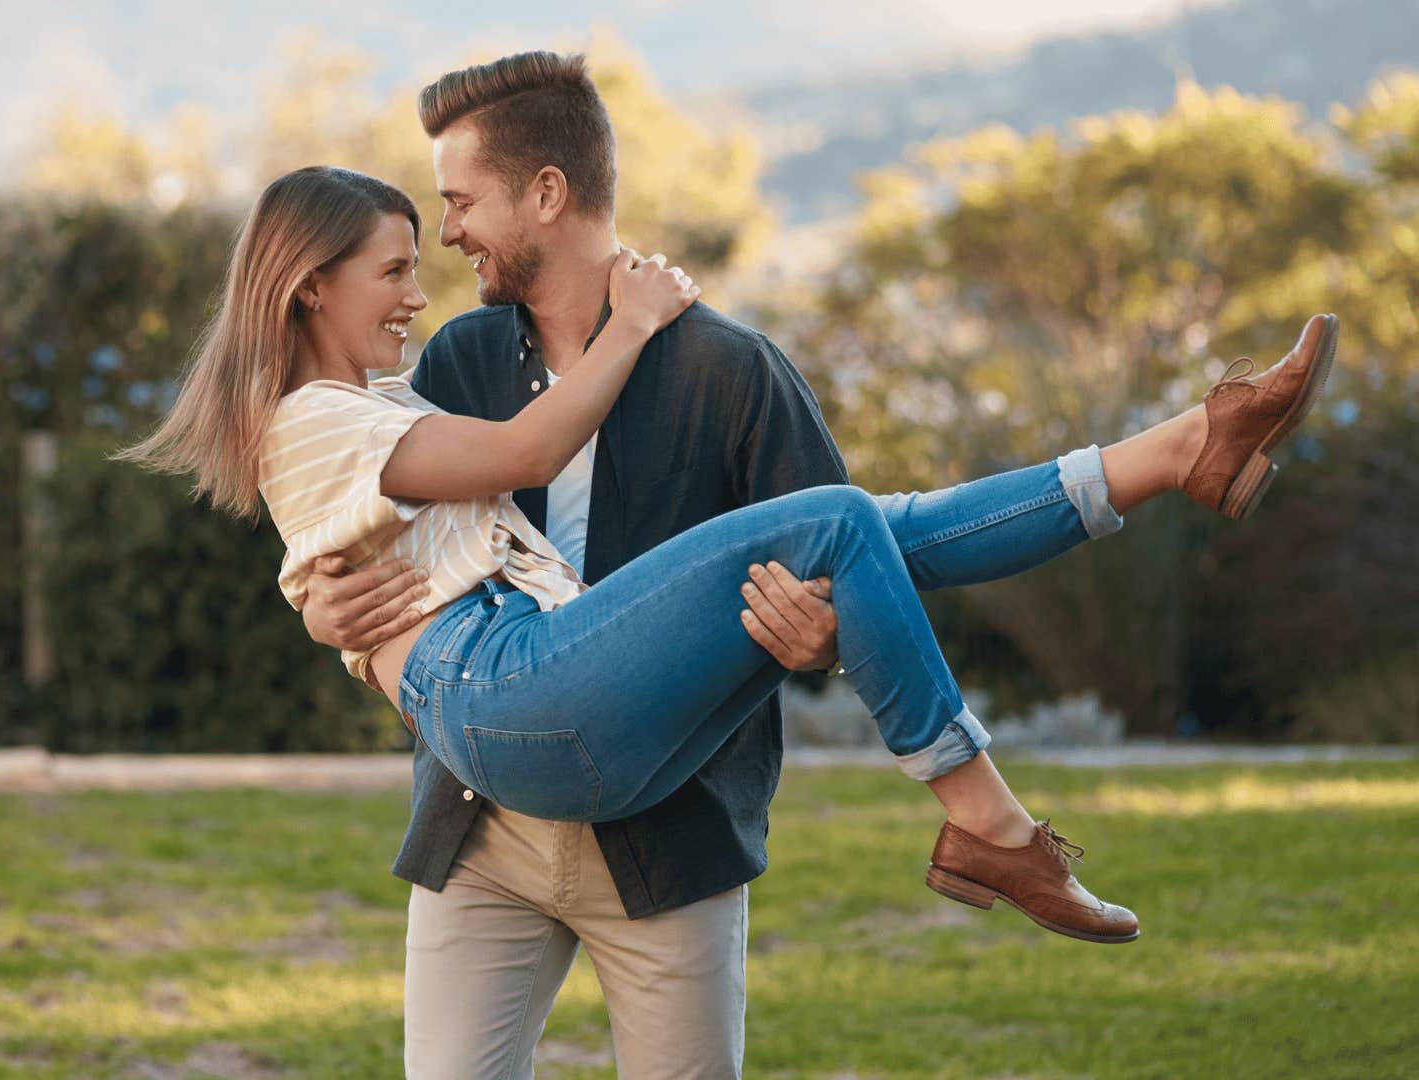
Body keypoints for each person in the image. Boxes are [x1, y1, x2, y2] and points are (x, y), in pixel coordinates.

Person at [121, 65, 1337, 1080]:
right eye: (413, 236)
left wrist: (811, 638)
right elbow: (381, 544)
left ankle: (1179, 450)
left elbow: (852, 572)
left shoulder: (727, 371)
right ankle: (989, 819)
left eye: (458, 204)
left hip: (664, 830)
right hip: (486, 817)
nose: (443, 244)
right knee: (855, 522)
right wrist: (330, 616)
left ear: (544, 194)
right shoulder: (453, 363)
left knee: (863, 527)